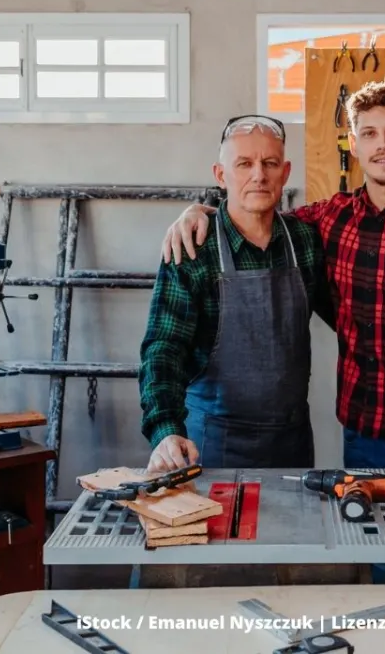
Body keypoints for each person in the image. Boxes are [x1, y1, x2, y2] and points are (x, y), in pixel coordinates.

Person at [161, 80, 385, 585]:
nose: (382, 145)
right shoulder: (328, 221)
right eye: (369, 134)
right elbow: (253, 210)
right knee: (383, 569)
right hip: (365, 435)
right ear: (354, 145)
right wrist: (198, 210)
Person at [138, 114, 331, 473]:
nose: (259, 175)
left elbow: (348, 318)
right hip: (211, 443)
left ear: (285, 173)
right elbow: (163, 348)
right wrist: (165, 430)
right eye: (244, 164)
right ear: (221, 175)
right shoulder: (193, 247)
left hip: (291, 444)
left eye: (270, 163)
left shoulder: (305, 240)